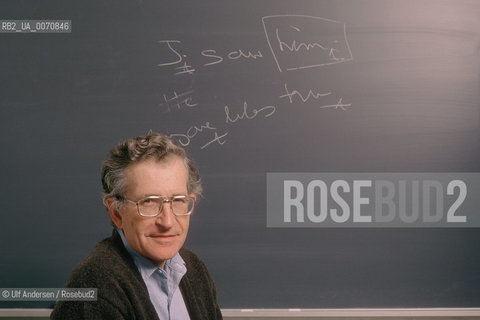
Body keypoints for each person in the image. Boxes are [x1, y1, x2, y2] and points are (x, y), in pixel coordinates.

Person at [51, 132, 222, 320]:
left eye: (178, 200)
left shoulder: (194, 268)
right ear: (116, 213)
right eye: (148, 202)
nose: (167, 222)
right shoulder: (94, 286)